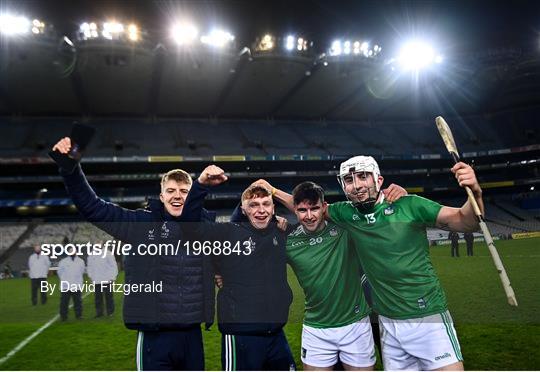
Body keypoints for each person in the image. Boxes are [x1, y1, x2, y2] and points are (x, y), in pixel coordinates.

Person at [266, 155, 483, 370]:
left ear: (379, 180)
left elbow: (465, 222)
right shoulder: (346, 213)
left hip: (427, 318)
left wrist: (474, 191)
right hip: (387, 323)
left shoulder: (410, 205)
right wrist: (273, 191)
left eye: (363, 177)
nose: (357, 185)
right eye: (349, 180)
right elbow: (306, 207)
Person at [52, 136, 227, 370]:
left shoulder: (206, 228)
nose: (177, 195)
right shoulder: (141, 224)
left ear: (193, 194)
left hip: (192, 335)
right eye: (171, 190)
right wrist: (71, 170)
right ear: (162, 196)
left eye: (184, 191)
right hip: (154, 336)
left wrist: (220, 271)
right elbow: (93, 208)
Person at [184, 180, 296, 371]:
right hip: (241, 337)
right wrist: (201, 185)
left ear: (273, 208)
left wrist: (275, 191)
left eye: (265, 204)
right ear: (243, 210)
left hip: (276, 334)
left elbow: (312, 214)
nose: (261, 210)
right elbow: (189, 226)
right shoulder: (228, 233)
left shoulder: (280, 233)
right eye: (253, 205)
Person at [87, 243, 118, 317]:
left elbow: (113, 266)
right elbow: (89, 267)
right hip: (97, 280)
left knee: (109, 297)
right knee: (98, 298)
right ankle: (99, 313)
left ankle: (110, 312)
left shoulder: (108, 253)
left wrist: (112, 277)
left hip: (107, 279)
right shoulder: (91, 255)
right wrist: (91, 277)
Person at [57, 251, 85, 320]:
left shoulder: (81, 261)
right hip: (66, 285)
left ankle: (79, 315)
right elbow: (59, 272)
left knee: (78, 302)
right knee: (64, 302)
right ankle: (63, 316)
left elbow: (82, 271)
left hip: (76, 284)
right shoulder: (63, 261)